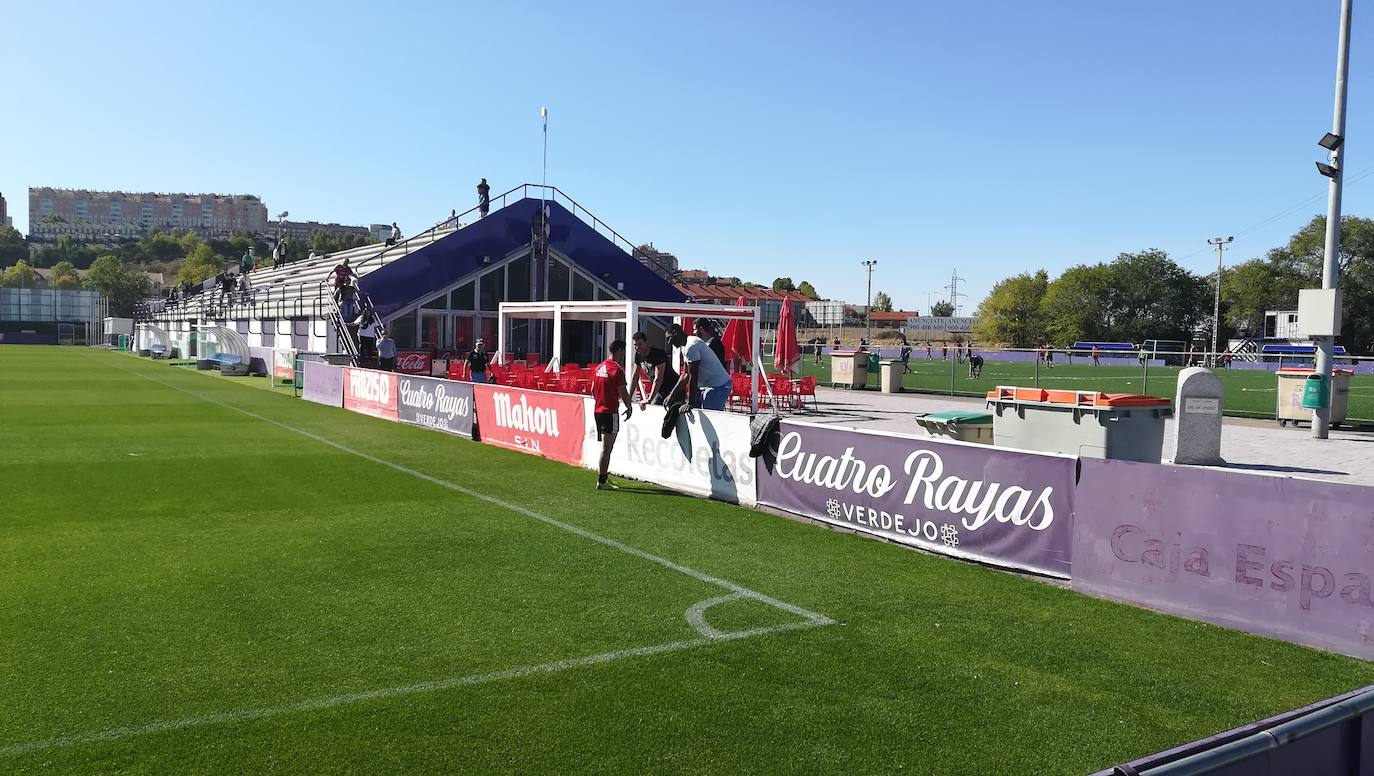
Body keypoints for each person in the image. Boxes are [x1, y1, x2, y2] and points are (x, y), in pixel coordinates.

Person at [591, 340, 634, 491]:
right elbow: (623, 392)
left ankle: (603, 478)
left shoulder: (599, 367)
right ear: (619, 350)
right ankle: (602, 480)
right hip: (610, 412)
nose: (623, 355)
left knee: (605, 447)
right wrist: (629, 407)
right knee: (607, 448)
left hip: (598, 411)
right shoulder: (617, 370)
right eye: (623, 351)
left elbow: (592, 389)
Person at [666, 323, 732, 411]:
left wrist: (690, 403)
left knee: (710, 416)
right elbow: (685, 375)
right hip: (709, 386)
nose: (669, 342)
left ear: (675, 333)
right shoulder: (684, 347)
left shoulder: (691, 346)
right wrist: (671, 395)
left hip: (718, 385)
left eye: (669, 338)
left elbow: (693, 376)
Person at [630, 331, 679, 406]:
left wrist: (649, 399)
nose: (637, 347)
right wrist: (629, 397)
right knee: (653, 408)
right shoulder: (638, 354)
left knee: (672, 411)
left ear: (646, 342)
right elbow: (635, 377)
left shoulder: (658, 353)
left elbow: (658, 378)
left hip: (673, 389)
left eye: (640, 344)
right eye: (635, 345)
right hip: (660, 391)